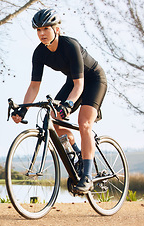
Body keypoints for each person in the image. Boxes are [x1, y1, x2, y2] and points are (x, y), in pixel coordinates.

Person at [12, 9, 107, 193]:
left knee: (84, 123)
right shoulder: (39, 53)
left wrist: (69, 105)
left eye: (46, 29)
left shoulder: (70, 45)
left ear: (57, 29)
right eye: (38, 30)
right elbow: (33, 86)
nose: (41, 34)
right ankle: (78, 155)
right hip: (72, 82)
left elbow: (79, 85)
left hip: (93, 80)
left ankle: (87, 177)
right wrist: (23, 110)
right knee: (53, 118)